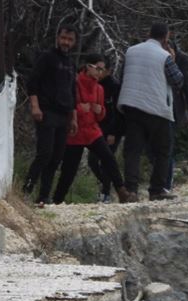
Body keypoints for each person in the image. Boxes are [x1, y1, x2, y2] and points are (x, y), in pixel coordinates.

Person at [50, 54, 130, 204]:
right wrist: (81, 109)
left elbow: (101, 116)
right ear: (88, 67)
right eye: (97, 69)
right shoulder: (75, 83)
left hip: (92, 130)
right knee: (69, 170)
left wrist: (100, 111)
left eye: (102, 70)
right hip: (75, 132)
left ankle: (121, 190)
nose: (100, 73)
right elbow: (68, 106)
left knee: (108, 157)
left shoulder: (99, 88)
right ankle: (57, 200)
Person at [117, 22, 184, 201]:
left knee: (133, 150)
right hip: (156, 109)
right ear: (166, 37)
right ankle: (156, 190)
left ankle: (131, 190)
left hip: (131, 106)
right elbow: (178, 81)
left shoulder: (131, 51)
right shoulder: (165, 56)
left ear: (148, 33)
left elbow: (122, 76)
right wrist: (173, 59)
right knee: (163, 151)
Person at [23, 24, 79, 206]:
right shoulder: (47, 57)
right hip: (46, 111)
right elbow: (33, 82)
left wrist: (73, 118)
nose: (66, 42)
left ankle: (43, 197)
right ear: (57, 38)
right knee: (44, 153)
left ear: (74, 42)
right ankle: (26, 190)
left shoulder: (71, 63)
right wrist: (35, 106)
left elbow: (72, 92)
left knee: (56, 157)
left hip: (64, 115)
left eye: (70, 40)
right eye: (63, 38)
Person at [165, 40, 188, 192]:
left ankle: (166, 183)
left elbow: (187, 87)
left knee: (168, 146)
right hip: (154, 108)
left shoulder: (181, 59)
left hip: (173, 109)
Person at [89, 56, 124, 203]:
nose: (97, 72)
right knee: (92, 161)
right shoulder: (93, 84)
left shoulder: (114, 86)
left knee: (106, 160)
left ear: (108, 71)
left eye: (100, 69)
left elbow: (119, 112)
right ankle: (106, 184)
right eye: (95, 68)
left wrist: (114, 132)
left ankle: (106, 193)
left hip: (112, 129)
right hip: (96, 128)